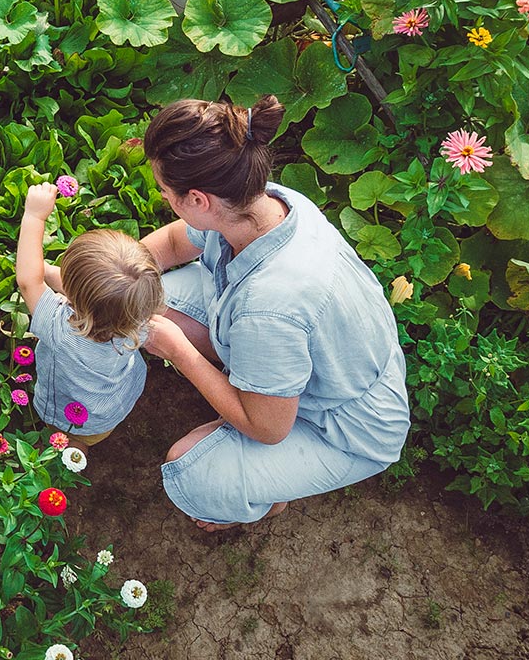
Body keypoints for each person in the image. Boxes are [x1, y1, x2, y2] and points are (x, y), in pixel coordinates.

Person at [138, 96, 410, 530]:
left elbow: (267, 428)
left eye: (166, 192)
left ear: (197, 199)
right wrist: (116, 272)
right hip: (321, 359)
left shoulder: (270, 308)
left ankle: (267, 497)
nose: (164, 197)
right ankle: (256, 391)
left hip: (346, 427)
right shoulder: (264, 202)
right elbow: (172, 244)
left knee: (193, 474)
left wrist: (176, 350)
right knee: (148, 297)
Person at [17, 182, 164, 446]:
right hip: (113, 407)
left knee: (68, 440)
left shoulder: (60, 329)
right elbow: (99, 300)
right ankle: (81, 451)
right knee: (88, 439)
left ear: (73, 297)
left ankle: (70, 458)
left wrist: (34, 216)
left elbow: (28, 281)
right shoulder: (138, 318)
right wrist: (51, 273)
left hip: (71, 414)